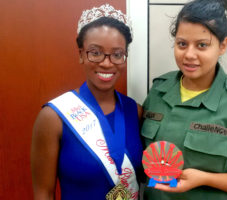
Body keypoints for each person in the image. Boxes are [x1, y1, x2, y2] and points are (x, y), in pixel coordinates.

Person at [141, 0, 227, 199]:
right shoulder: (159, 90)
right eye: (182, 44)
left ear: (222, 45)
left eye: (202, 45)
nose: (189, 54)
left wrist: (205, 178)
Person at [31, 4, 143, 200]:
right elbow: (43, 192)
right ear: (81, 54)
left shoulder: (136, 111)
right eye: (95, 52)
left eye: (117, 54)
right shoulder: (54, 117)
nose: (107, 63)